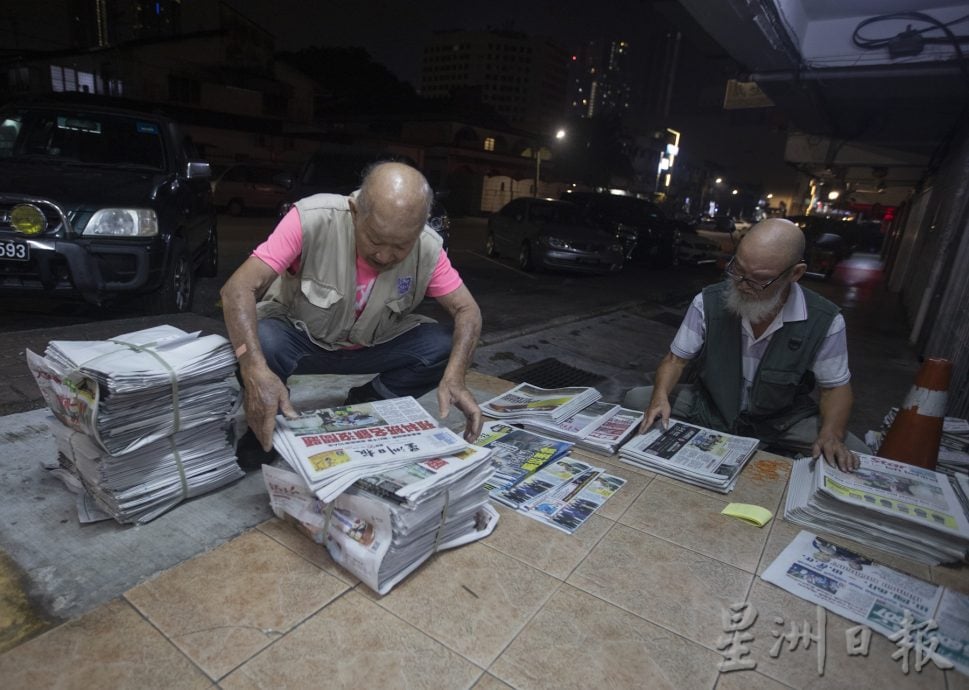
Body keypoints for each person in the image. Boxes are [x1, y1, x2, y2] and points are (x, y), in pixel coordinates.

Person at [220, 161, 483, 466]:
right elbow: (236, 290)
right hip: (302, 343)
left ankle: (372, 398)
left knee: (448, 345)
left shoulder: (428, 247)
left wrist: (456, 378)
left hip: (373, 347)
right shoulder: (311, 219)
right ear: (356, 211)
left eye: (400, 246)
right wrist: (253, 368)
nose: (384, 256)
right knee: (261, 340)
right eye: (374, 239)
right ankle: (268, 419)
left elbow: (469, 311)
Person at [624, 217, 865, 472]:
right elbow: (676, 360)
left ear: (795, 274)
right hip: (712, 406)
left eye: (759, 279)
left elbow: (835, 388)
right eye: (737, 270)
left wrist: (831, 434)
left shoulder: (824, 320)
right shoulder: (708, 302)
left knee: (857, 453)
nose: (742, 285)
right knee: (637, 399)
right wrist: (660, 396)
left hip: (780, 419)